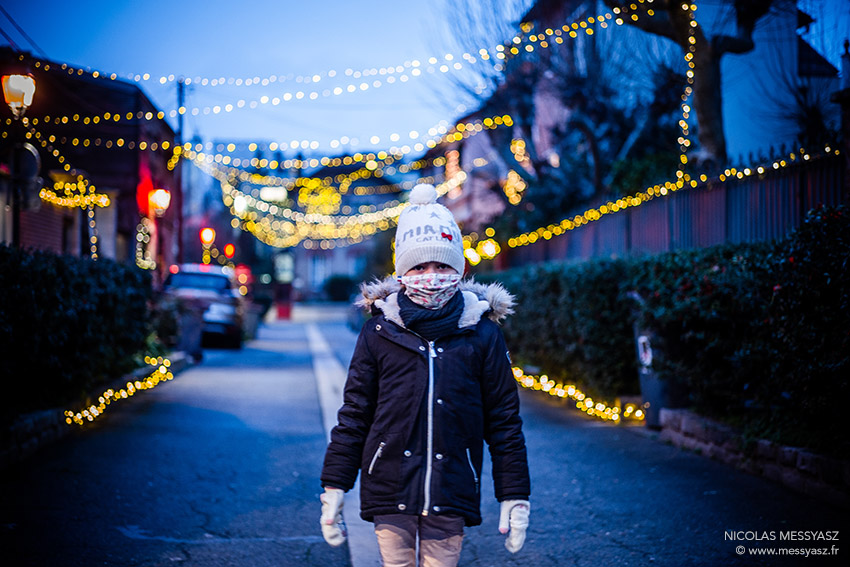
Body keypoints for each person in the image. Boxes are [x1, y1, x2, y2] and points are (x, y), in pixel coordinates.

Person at [319, 183, 531, 566]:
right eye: (419, 266)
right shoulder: (379, 332)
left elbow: (503, 420)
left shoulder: (482, 333)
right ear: (402, 271)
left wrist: (514, 494)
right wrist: (334, 485)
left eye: (441, 266)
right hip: (388, 484)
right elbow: (355, 414)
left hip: (452, 489)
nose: (430, 276)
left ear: (459, 269)